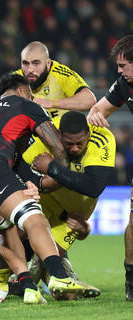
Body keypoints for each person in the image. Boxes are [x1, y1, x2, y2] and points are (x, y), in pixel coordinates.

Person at [0, 73, 88, 305]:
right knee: (35, 220)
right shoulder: (26, 105)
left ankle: (25, 286)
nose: (33, 98)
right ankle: (59, 277)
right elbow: (57, 146)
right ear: (22, 91)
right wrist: (61, 173)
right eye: (31, 94)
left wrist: (25, 184)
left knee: (6, 231)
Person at [0, 111, 116, 302]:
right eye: (68, 144)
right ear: (58, 136)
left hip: (69, 216)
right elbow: (16, 169)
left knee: (69, 296)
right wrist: (29, 185)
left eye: (79, 144)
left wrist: (51, 167)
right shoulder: (46, 133)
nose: (74, 149)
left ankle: (33, 273)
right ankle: (27, 274)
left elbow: (93, 186)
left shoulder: (103, 138)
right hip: (42, 202)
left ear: (88, 135)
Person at [87, 34, 133, 301]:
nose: (119, 70)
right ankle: (131, 278)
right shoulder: (123, 86)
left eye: (123, 65)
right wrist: (96, 116)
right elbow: (96, 110)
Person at [16, 41, 96, 118]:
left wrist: (52, 103)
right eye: (26, 63)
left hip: (62, 130)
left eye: (36, 63)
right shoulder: (15, 79)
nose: (30, 70)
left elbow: (89, 100)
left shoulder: (60, 74)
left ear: (48, 63)